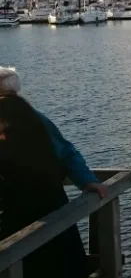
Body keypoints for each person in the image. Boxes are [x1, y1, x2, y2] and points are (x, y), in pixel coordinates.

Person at [0, 68, 106, 277]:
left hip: (14, 215)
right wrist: (88, 181)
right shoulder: (34, 116)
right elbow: (66, 152)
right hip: (53, 208)